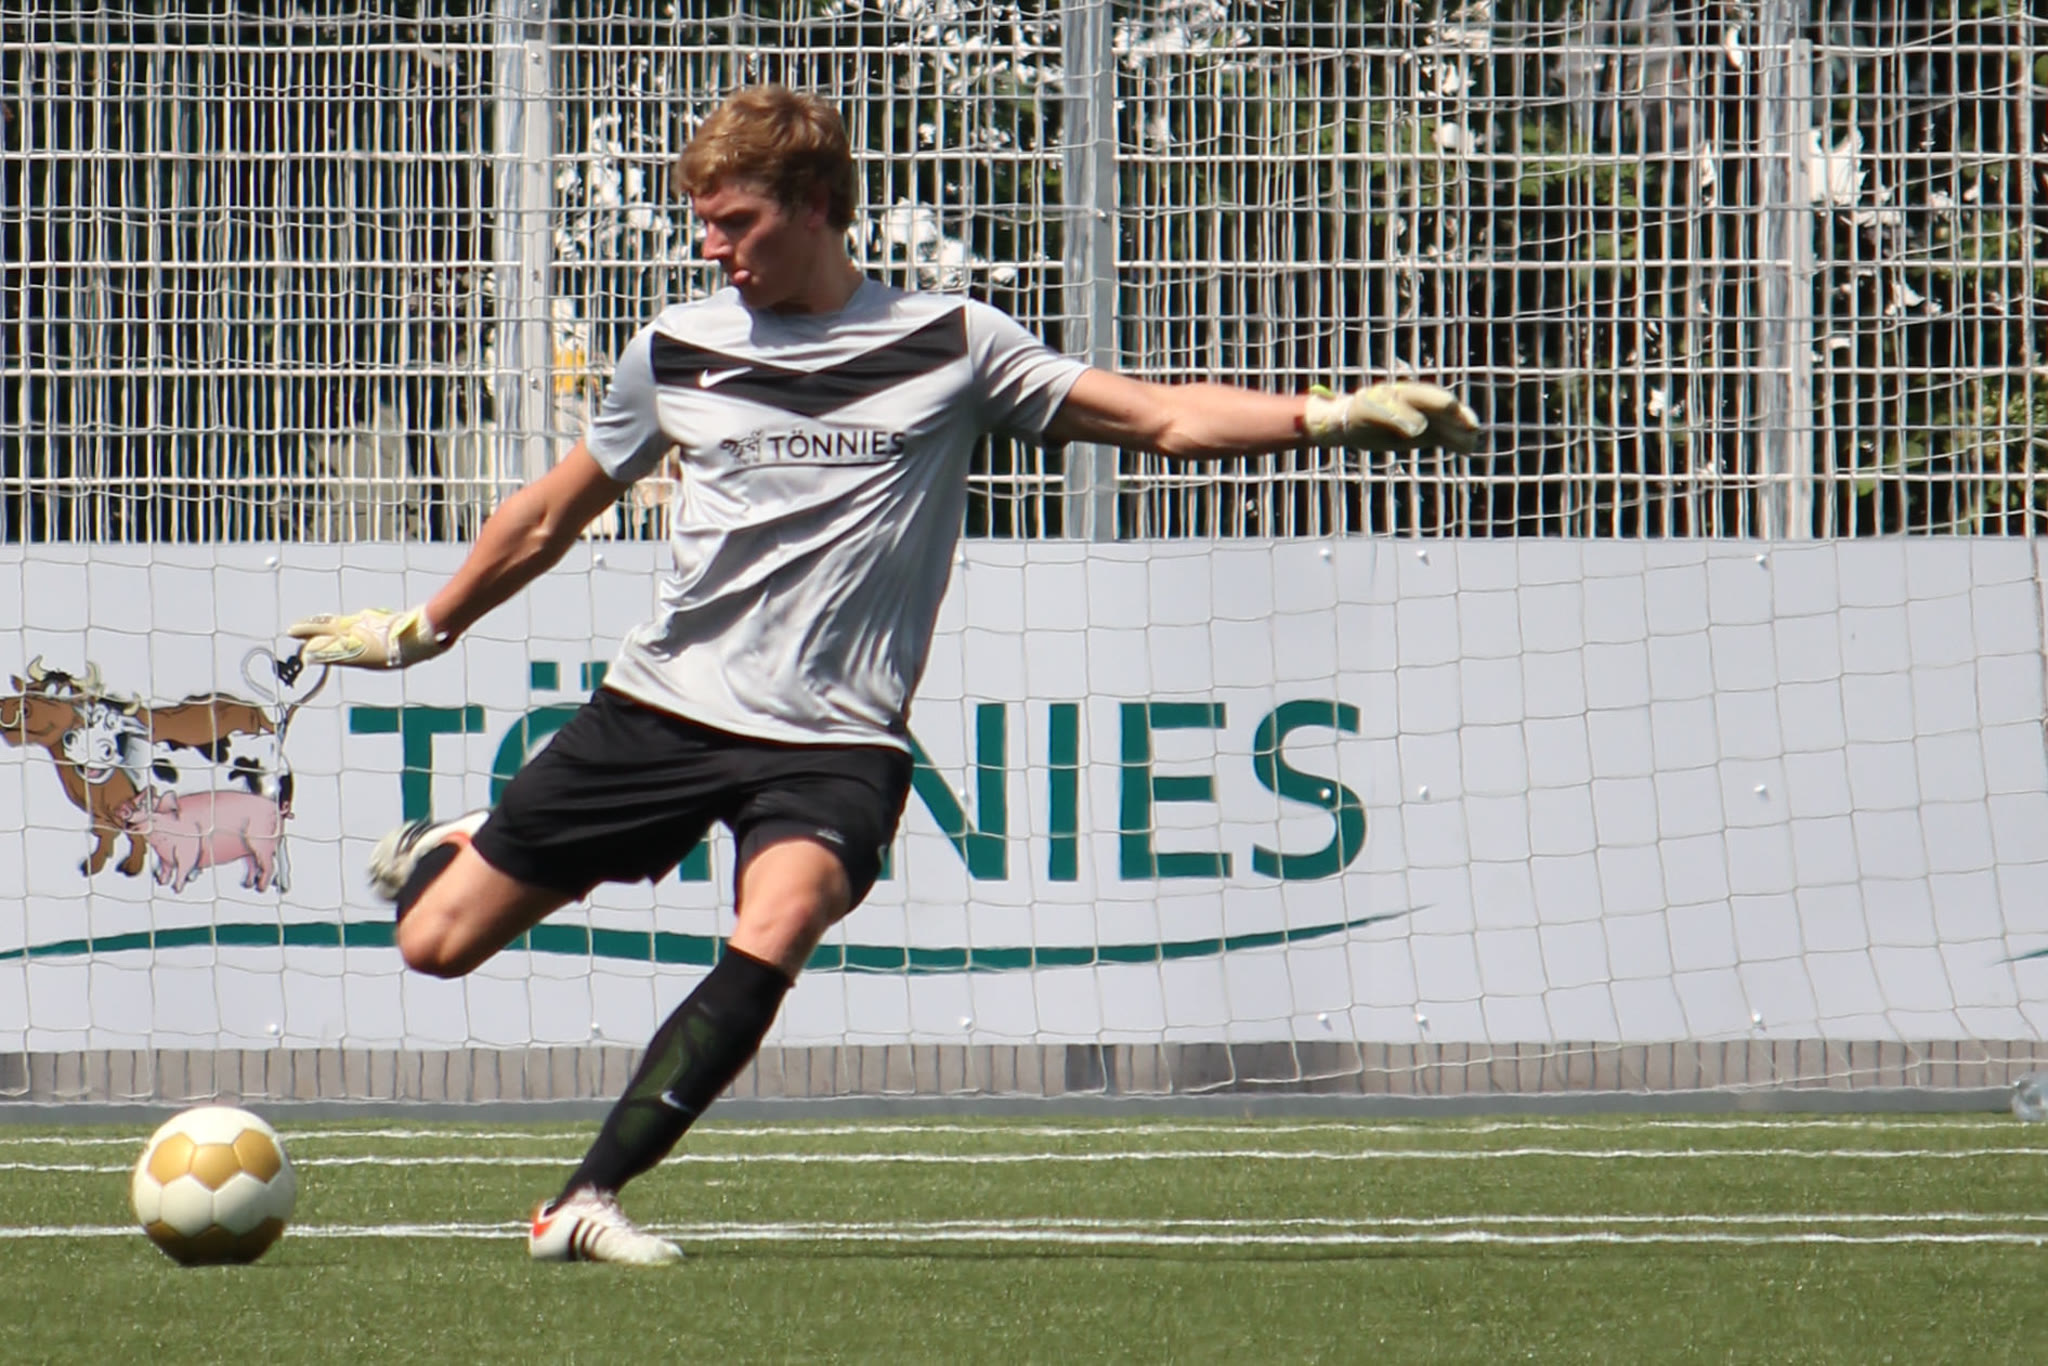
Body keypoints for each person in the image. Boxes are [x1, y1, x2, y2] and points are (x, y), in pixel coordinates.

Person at [287, 84, 1479, 1265]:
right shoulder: (675, 350)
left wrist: (1326, 417)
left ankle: (583, 1199)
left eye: (735, 221)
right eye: (702, 223)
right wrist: (421, 629)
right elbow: (552, 511)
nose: (711, 247)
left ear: (814, 204)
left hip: (834, 742)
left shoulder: (951, 342)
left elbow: (1155, 417)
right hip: (661, 709)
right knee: (434, 944)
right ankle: (455, 845)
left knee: (783, 915)